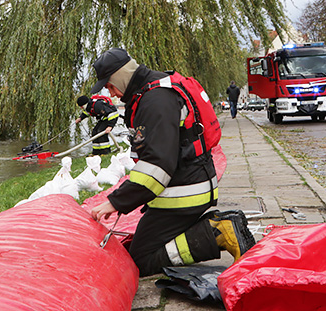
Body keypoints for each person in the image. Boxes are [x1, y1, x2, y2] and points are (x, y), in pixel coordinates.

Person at [87, 48, 255, 277]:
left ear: (121, 77)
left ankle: (217, 232)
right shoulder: (154, 90)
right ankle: (211, 230)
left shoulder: (154, 100)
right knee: (143, 246)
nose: (112, 93)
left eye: (110, 85)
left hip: (183, 194)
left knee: (140, 260)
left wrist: (115, 202)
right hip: (187, 185)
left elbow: (157, 166)